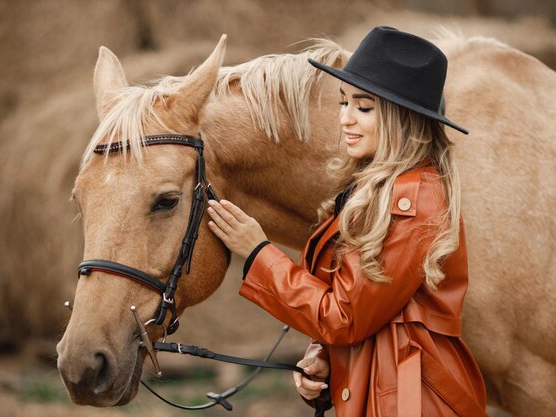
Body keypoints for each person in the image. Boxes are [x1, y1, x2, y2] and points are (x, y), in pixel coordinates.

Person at [206, 26, 487, 417]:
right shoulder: (374, 189)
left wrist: (258, 253)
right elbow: (367, 309)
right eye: (343, 103)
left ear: (401, 118)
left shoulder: (413, 200)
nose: (346, 119)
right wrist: (325, 359)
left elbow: (346, 317)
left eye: (364, 107)